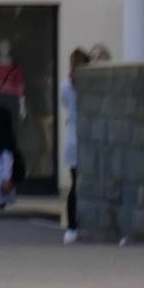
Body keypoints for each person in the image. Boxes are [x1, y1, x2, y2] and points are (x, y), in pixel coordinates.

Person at [62, 47, 93, 243]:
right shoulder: (91, 85)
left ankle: (72, 227)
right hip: (87, 138)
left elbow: (65, 104)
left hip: (72, 138)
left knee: (74, 185)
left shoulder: (66, 85)